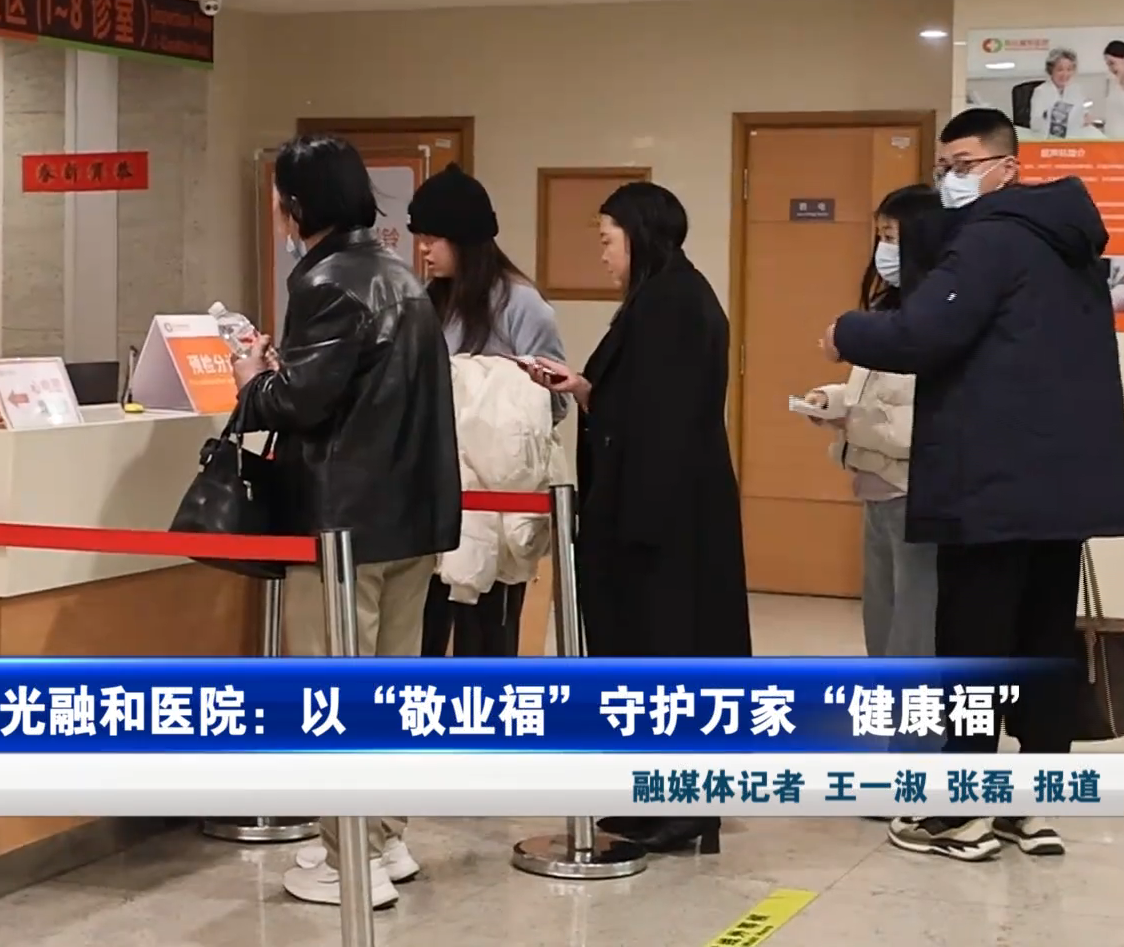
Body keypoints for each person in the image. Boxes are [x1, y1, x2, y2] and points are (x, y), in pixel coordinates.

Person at [819, 108, 1124, 862]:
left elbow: (925, 332)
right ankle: (1033, 810)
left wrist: (845, 332)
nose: (950, 180)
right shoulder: (1068, 245)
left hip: (991, 483)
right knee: (1042, 646)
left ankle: (960, 816)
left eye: (963, 165)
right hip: (1061, 486)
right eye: (942, 167)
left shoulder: (993, 237)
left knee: (976, 649)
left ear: (1007, 166)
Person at [232, 133, 461, 909]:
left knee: (333, 695)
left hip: (342, 528)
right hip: (410, 520)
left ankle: (346, 861)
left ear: (299, 205)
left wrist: (253, 380)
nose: (278, 211)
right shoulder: (400, 275)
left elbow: (302, 402)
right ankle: (383, 839)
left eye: (281, 198)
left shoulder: (327, 280)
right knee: (391, 690)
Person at [528, 181, 752, 856]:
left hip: (659, 516)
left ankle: (680, 807)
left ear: (639, 234)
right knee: (654, 655)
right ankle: (655, 799)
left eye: (607, 240)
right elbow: (644, 405)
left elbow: (661, 422)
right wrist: (585, 389)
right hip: (663, 506)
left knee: (666, 654)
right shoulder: (666, 297)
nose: (602, 255)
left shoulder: (671, 305)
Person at [407, 163, 567, 658]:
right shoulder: (428, 301)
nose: (424, 250)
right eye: (421, 238)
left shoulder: (523, 305)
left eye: (433, 239)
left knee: (487, 634)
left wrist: (487, 399)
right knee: (425, 627)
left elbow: (553, 400)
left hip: (496, 500)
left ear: (466, 239)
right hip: (434, 488)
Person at [801, 184, 938, 671]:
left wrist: (852, 420)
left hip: (914, 496)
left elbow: (917, 421)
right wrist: (833, 399)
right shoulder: (889, 311)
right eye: (880, 236)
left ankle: (913, 718)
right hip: (875, 491)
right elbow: (879, 393)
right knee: (882, 626)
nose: (884, 249)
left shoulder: (939, 317)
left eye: (893, 237)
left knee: (913, 634)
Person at [1027, 47, 1087, 138]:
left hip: (1073, 138)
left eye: (1069, 69)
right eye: (1060, 70)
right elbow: (1035, 125)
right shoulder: (1041, 91)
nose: (1065, 74)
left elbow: (1081, 115)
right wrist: (1048, 116)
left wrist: (1085, 116)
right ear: (1051, 71)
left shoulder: (1076, 89)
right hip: (1047, 139)